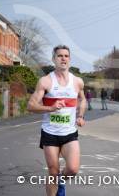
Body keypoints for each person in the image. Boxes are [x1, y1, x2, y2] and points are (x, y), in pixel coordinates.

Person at [27, 45, 86, 196]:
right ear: (54, 59)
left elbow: (82, 99)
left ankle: (61, 181)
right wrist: (50, 108)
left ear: (70, 60)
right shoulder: (46, 81)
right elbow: (31, 106)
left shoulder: (77, 81)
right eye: (59, 56)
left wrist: (80, 116)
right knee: (53, 171)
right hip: (50, 132)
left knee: (72, 169)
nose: (63, 58)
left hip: (69, 132)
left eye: (66, 56)